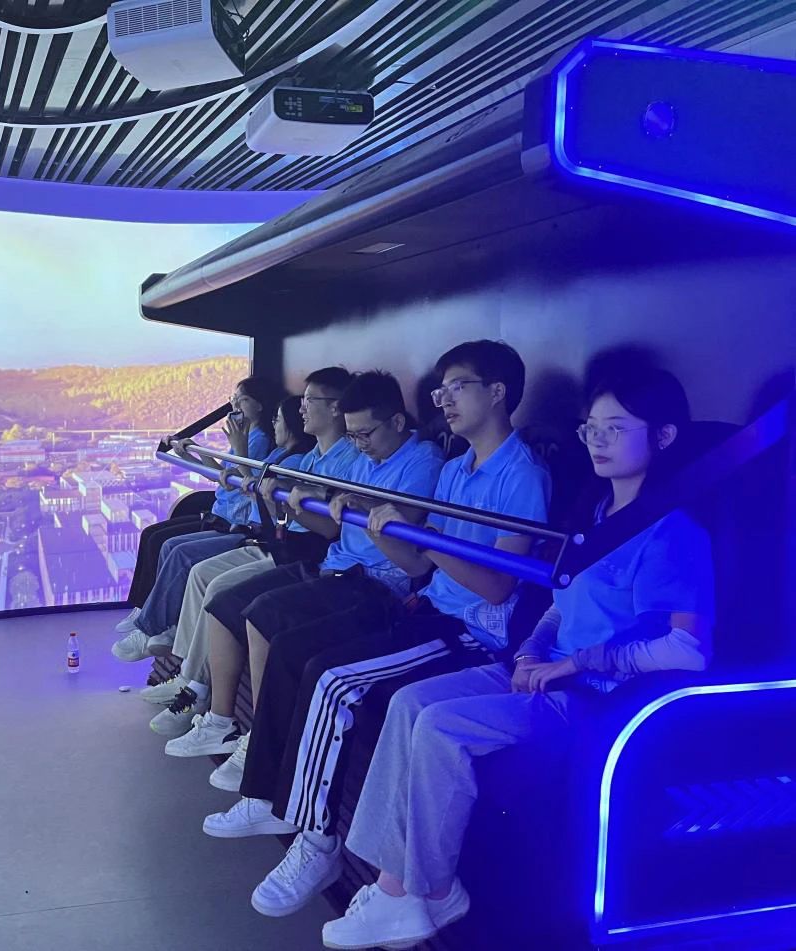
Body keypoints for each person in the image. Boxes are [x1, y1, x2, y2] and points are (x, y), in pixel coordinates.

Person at [322, 368, 713, 950]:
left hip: (593, 697)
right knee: (408, 704)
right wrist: (531, 649)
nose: (598, 441)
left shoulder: (673, 535)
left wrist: (573, 665)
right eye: (591, 428)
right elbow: (559, 604)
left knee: (441, 727)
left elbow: (686, 650)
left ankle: (427, 891)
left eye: (616, 428)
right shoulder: (595, 513)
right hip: (544, 669)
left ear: (663, 436)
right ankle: (394, 886)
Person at [201, 340, 551, 920]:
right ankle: (272, 795)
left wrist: (429, 541)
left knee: (333, 680)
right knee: (300, 652)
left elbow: (497, 588)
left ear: (498, 392)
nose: (444, 400)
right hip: (425, 606)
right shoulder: (457, 470)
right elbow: (416, 563)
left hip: (470, 632)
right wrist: (386, 530)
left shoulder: (523, 477)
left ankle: (316, 841)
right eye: (441, 390)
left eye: (458, 387)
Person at [161, 372, 444, 792]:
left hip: (375, 582)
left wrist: (359, 503)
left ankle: (260, 741)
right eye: (354, 435)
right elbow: (330, 529)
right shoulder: (363, 459)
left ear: (398, 422)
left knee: (268, 618)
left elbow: (405, 531)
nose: (359, 444)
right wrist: (297, 506)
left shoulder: (423, 460)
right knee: (229, 603)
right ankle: (220, 718)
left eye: (365, 434)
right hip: (334, 564)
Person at [147, 367, 363, 738]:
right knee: (186, 561)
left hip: (299, 550)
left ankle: (214, 704)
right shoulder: (311, 458)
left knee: (218, 585)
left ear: (335, 407)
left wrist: (277, 492)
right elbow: (277, 501)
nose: (302, 408)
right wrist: (280, 497)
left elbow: (325, 526)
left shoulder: (339, 459)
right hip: (281, 540)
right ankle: (188, 676)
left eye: (310, 400)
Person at [139, 396, 314, 704]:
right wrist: (199, 453)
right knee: (171, 549)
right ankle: (164, 637)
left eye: (279, 419)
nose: (275, 424)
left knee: (195, 566)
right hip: (254, 531)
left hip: (258, 533)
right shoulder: (277, 453)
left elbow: (252, 489)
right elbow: (234, 478)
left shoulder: (289, 457)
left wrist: (241, 448)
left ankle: (189, 678)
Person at [115, 376, 280, 642]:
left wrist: (208, 451)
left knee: (167, 544)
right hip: (220, 510)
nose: (236, 405)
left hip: (232, 519)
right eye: (234, 399)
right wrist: (189, 453)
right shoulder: (246, 437)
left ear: (260, 405)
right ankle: (146, 609)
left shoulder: (256, 440)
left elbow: (239, 480)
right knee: (154, 536)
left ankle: (153, 621)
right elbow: (222, 474)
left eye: (243, 400)